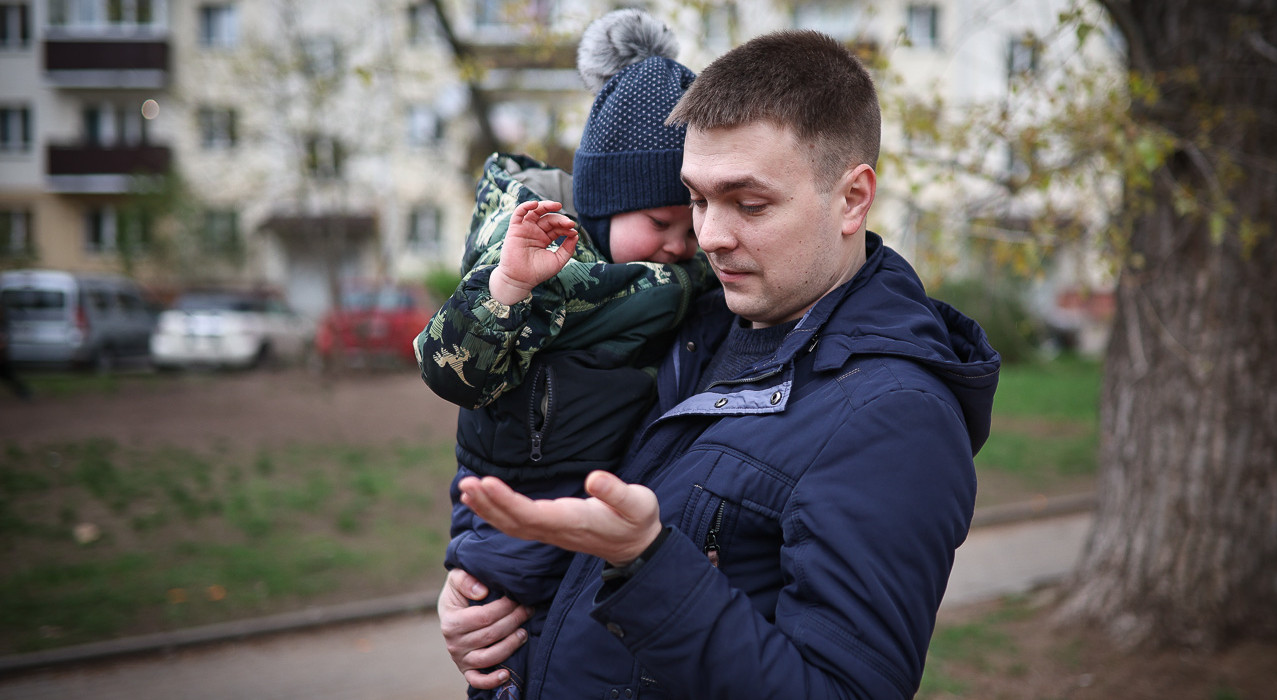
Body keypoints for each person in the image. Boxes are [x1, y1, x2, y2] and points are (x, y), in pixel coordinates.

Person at [441, 29, 1001, 699]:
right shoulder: (688, 320)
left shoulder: (896, 417)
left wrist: (645, 564)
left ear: (852, 198)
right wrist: (479, 584)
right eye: (697, 201)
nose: (707, 237)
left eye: (750, 204)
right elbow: (532, 433)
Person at [413, 9, 711, 698]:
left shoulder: (689, 281)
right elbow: (446, 367)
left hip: (594, 513)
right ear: (605, 206)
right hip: (513, 506)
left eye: (690, 225)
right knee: (506, 650)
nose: (679, 245)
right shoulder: (541, 263)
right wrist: (509, 287)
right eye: (661, 223)